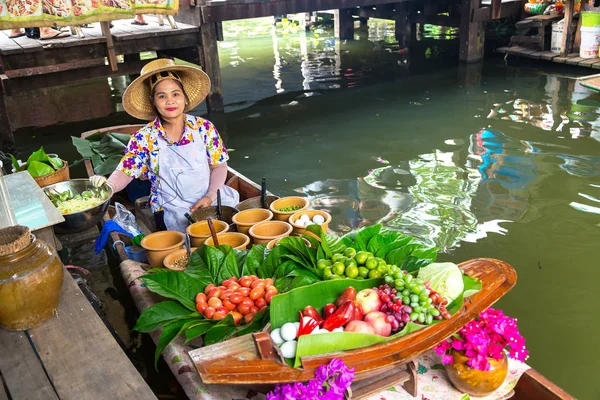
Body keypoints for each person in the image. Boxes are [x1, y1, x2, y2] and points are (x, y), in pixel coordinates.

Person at [90, 59, 239, 232]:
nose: (170, 101)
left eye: (175, 94)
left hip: (212, 198)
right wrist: (108, 186)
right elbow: (126, 170)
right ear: (153, 102)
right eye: (162, 96)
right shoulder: (144, 137)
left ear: (184, 97)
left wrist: (210, 195)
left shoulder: (204, 128)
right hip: (172, 210)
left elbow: (219, 166)